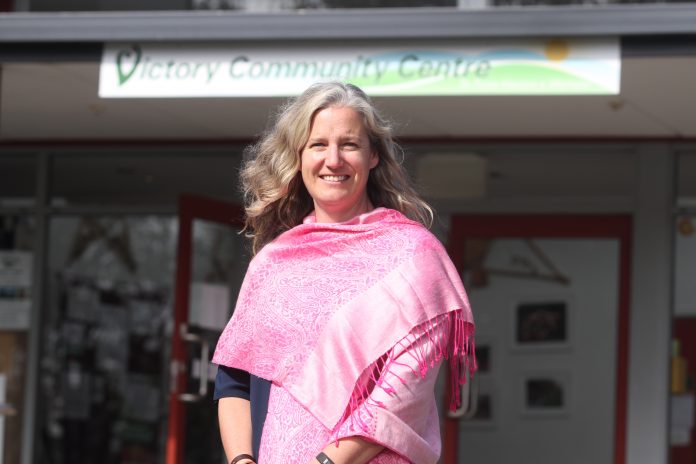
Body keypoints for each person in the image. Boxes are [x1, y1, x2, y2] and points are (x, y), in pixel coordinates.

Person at [212, 81, 475, 464]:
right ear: (299, 156)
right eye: (318, 145)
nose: (333, 160)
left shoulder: (413, 256)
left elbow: (401, 394)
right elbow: (234, 382)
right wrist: (241, 461)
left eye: (349, 144)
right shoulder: (272, 264)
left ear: (373, 156)